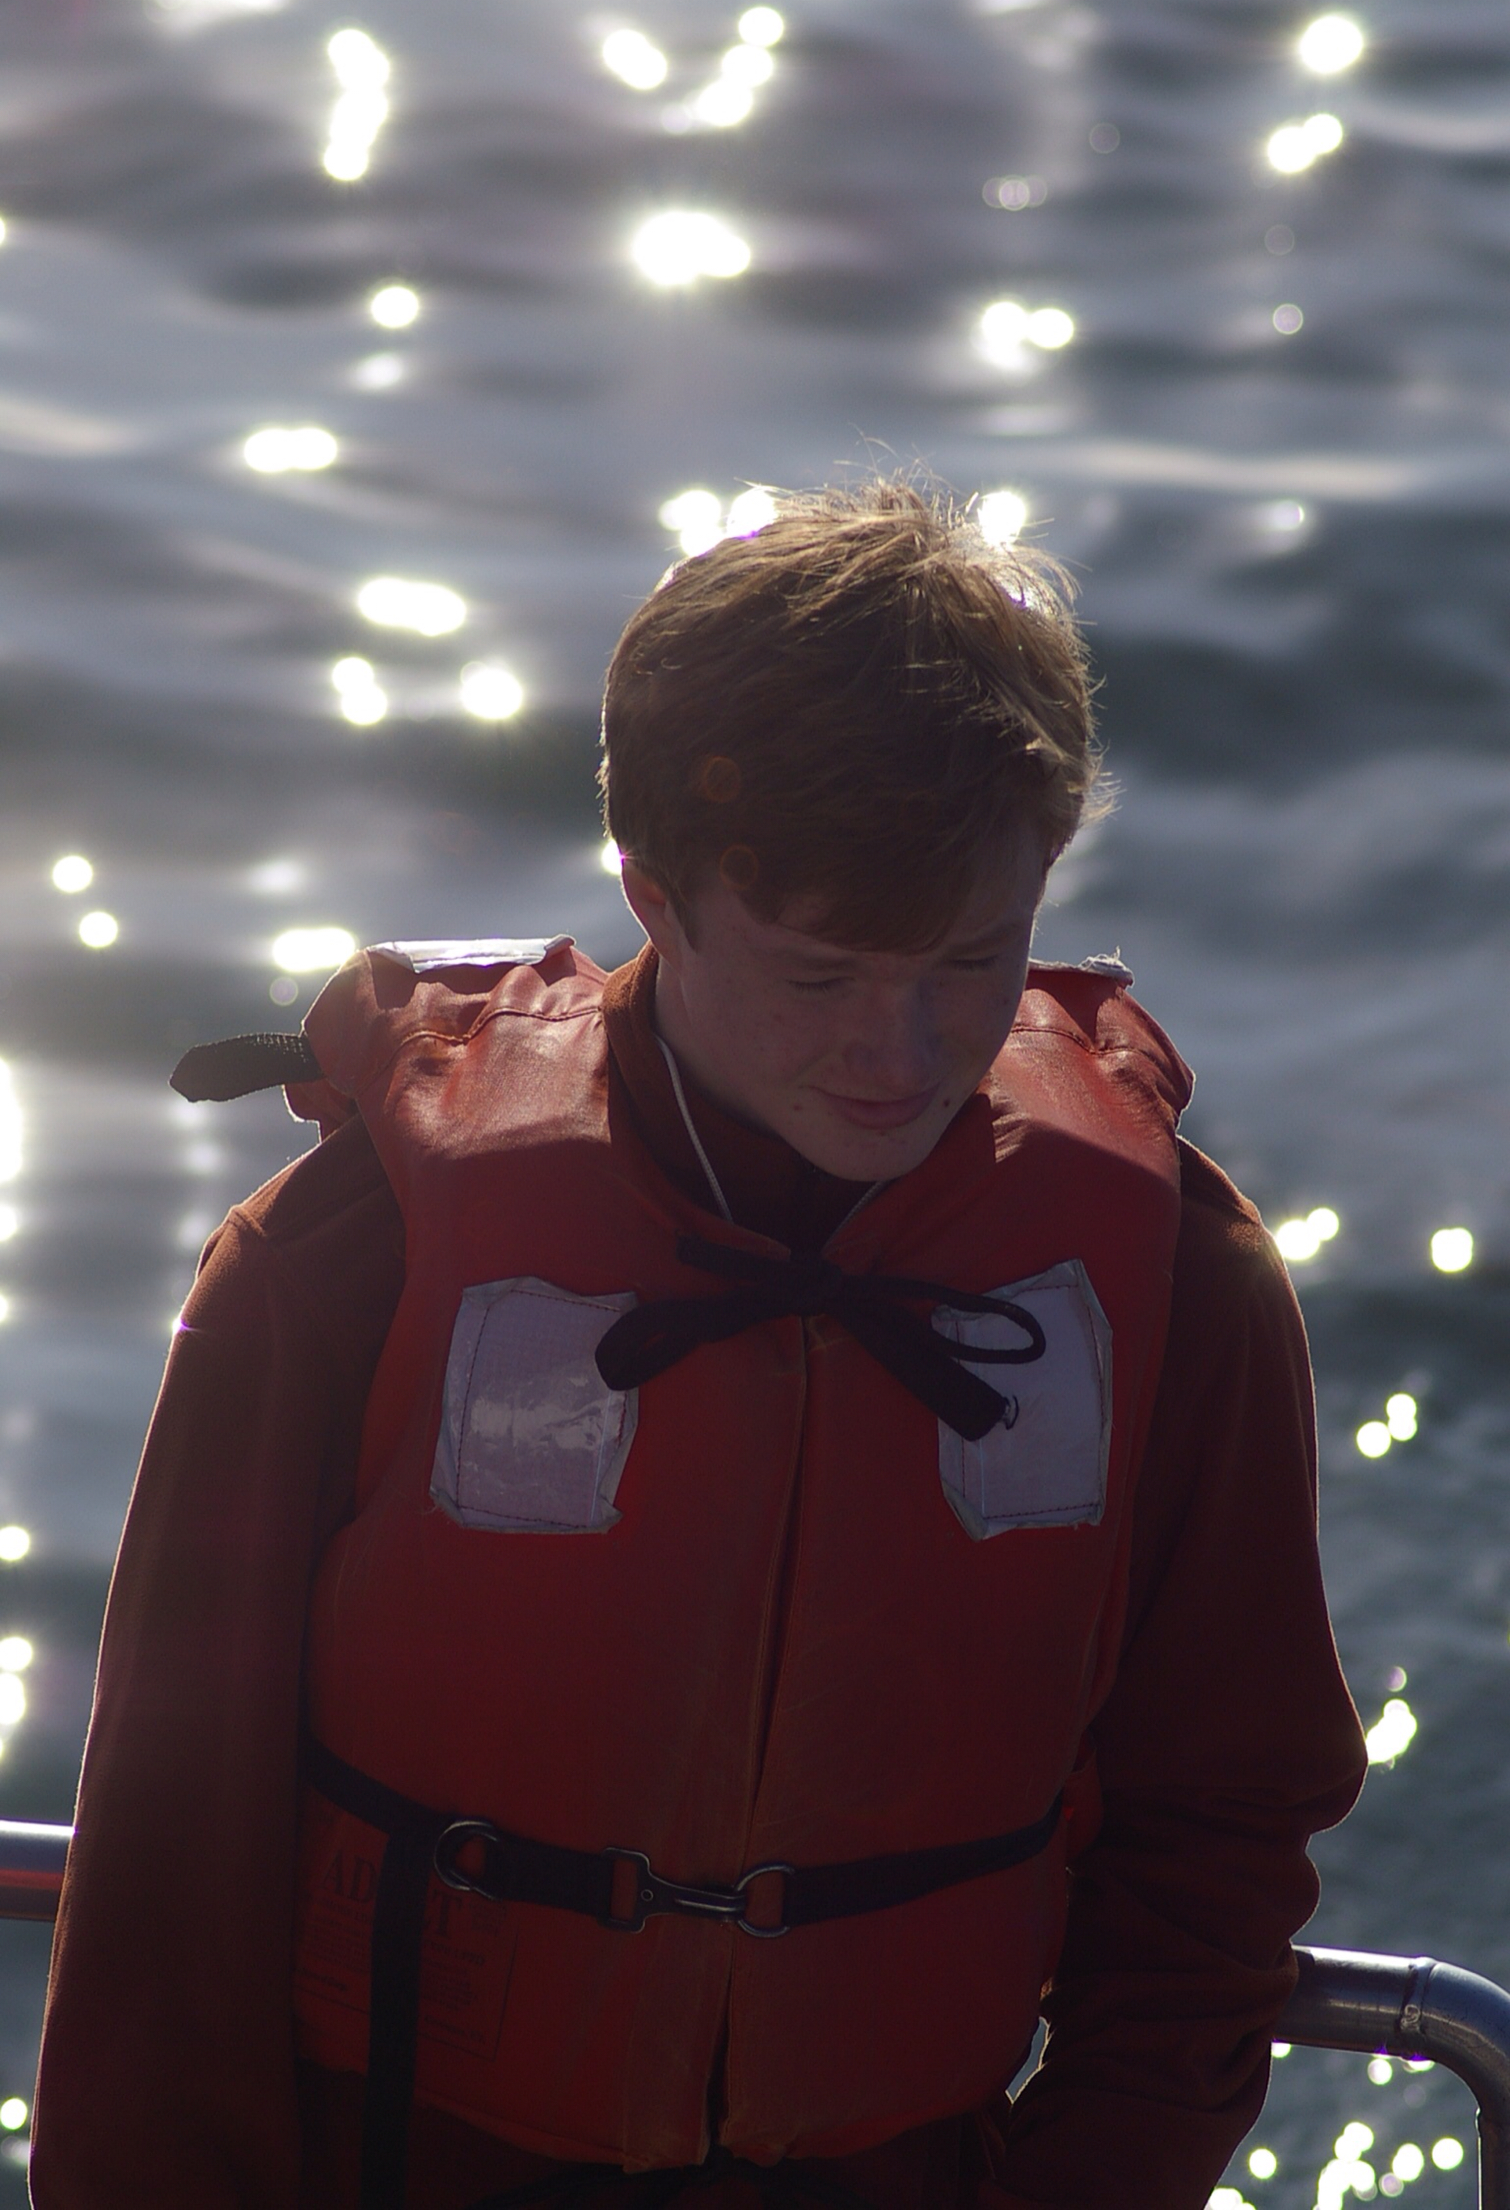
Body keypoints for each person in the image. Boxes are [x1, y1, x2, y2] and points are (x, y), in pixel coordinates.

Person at [31, 482, 1365, 2210]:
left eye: (973, 959)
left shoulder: (1176, 1284)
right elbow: (168, 1841)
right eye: (819, 978)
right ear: (653, 894)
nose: (900, 1046)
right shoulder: (348, 1260)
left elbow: (1221, 1817)